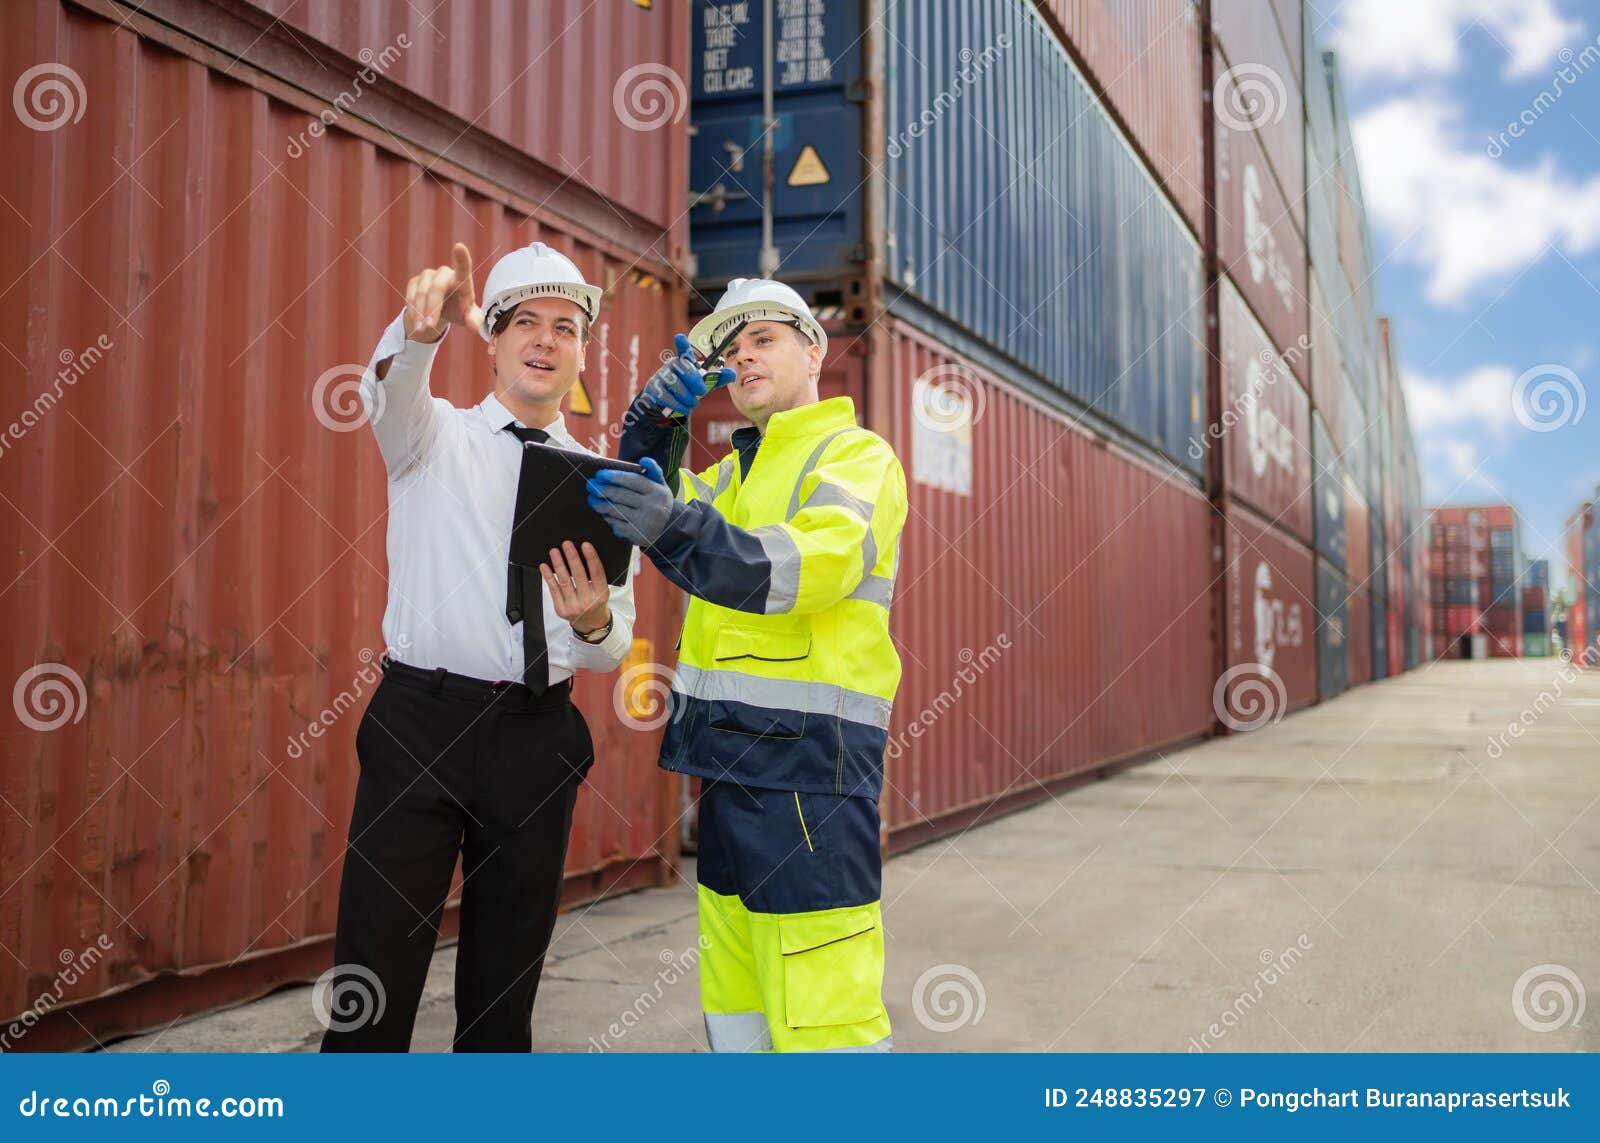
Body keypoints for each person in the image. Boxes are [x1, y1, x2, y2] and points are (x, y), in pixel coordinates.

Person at [321, 242, 635, 1052]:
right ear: (491, 337)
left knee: (504, 995)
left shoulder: (601, 483)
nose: (545, 340)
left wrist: (593, 620)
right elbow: (387, 393)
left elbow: (610, 648)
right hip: (419, 727)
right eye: (525, 321)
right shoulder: (430, 438)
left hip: (537, 734)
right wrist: (419, 331)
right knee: (373, 981)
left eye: (565, 327)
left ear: (583, 351)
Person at [588, 278, 907, 1052]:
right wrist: (654, 423)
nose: (744, 357)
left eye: (764, 338)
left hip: (809, 774)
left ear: (814, 351)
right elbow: (654, 504)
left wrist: (676, 524)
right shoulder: (735, 476)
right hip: (725, 767)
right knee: (738, 1000)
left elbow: (806, 565)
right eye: (732, 348)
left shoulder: (856, 456)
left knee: (823, 1009)